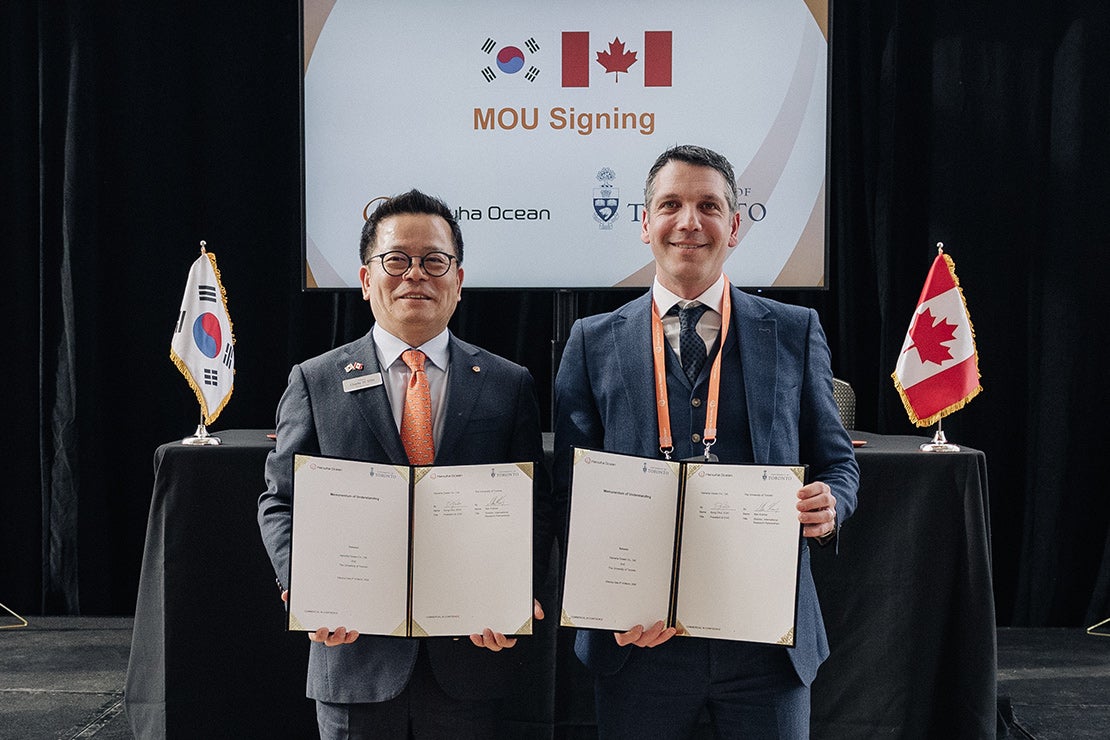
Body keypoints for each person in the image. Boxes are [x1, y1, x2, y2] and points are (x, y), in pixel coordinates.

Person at [553, 145, 859, 738]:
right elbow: (571, 492)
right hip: (638, 641)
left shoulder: (794, 331)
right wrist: (609, 601)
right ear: (645, 224)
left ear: (735, 226)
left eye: (709, 206)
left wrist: (831, 504)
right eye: (670, 205)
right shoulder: (591, 342)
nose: (689, 222)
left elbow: (837, 463)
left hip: (767, 644)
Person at [258, 189, 553, 739]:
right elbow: (280, 501)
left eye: (434, 261)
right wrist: (303, 586)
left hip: (471, 660)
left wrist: (518, 592)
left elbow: (533, 505)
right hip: (353, 658)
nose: (415, 274)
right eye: (396, 260)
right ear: (366, 279)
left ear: (458, 281)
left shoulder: (509, 384)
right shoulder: (315, 381)